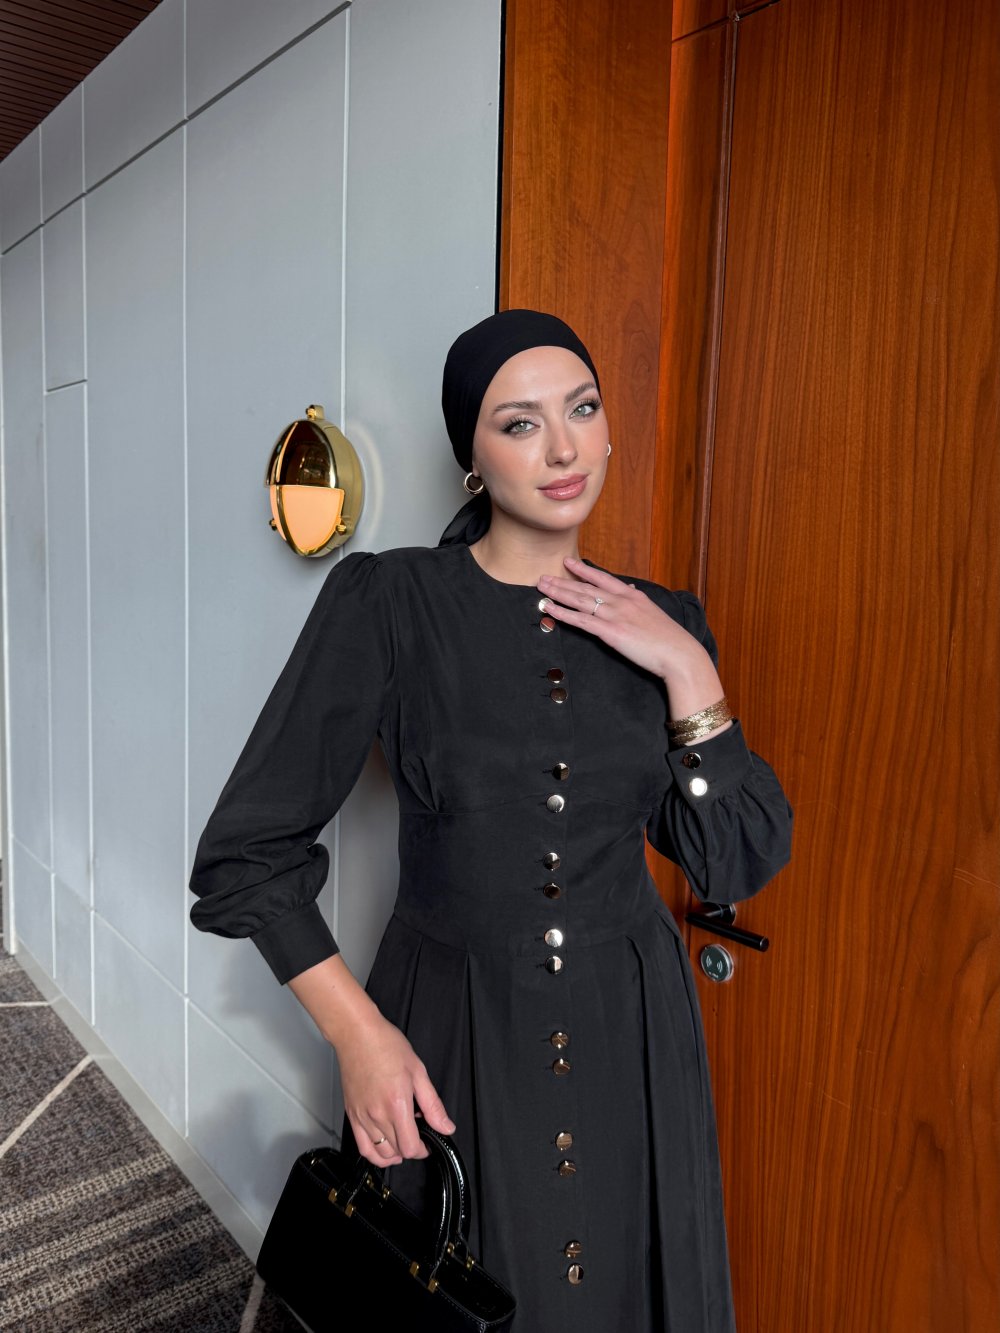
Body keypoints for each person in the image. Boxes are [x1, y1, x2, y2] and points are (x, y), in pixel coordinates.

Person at [189, 309, 792, 1332]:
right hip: (452, 1028)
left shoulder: (667, 621)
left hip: (632, 1033)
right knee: (454, 1296)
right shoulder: (390, 601)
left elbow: (732, 857)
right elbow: (244, 854)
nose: (562, 448)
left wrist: (690, 670)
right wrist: (358, 1035)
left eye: (582, 410)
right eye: (519, 423)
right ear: (471, 456)